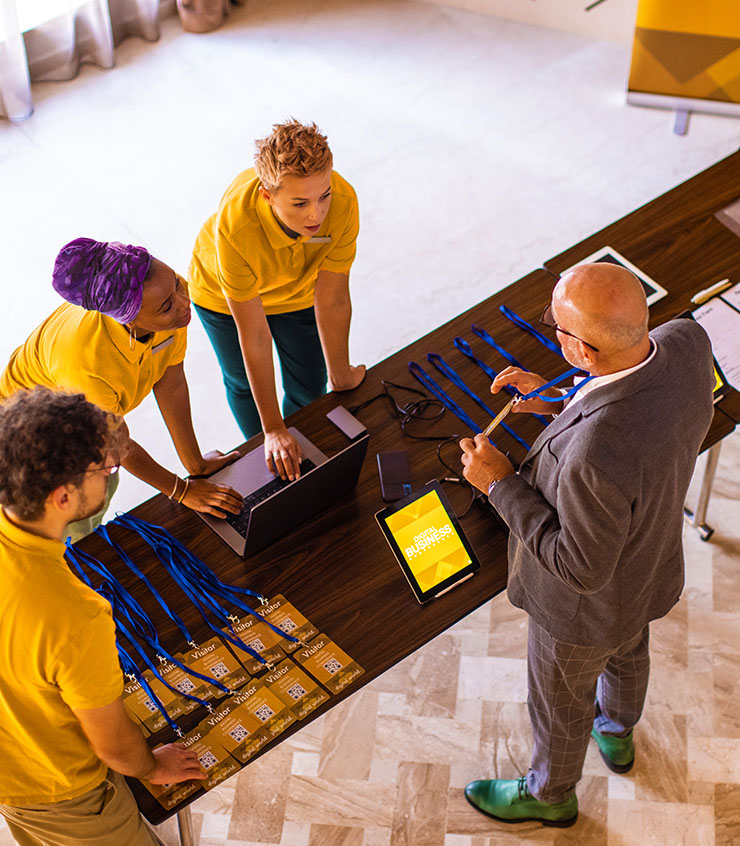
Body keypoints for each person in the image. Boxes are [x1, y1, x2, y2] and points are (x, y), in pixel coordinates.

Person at [459, 262, 714, 827]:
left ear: (583, 349)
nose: (552, 331)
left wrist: (498, 483)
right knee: (629, 654)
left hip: (580, 614)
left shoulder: (593, 456)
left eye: (556, 326)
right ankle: (617, 733)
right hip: (649, 570)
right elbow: (645, 408)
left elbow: (579, 568)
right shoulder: (687, 340)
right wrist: (563, 400)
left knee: (559, 704)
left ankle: (550, 796)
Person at [0, 387, 206, 846]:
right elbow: (113, 745)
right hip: (60, 790)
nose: (113, 468)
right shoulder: (75, 615)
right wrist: (152, 766)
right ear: (62, 498)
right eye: (104, 468)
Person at [0, 238, 242, 541]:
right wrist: (182, 491)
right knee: (72, 519)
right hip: (31, 436)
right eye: (167, 306)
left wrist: (196, 464)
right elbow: (118, 443)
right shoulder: (86, 362)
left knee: (103, 482)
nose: (184, 302)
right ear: (129, 320)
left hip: (83, 419)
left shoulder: (167, 299)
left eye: (177, 285)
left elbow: (170, 381)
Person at [188, 119, 365, 481]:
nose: (316, 214)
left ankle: (301, 450)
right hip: (221, 297)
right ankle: (265, 455)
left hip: (294, 289)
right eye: (300, 203)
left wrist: (341, 375)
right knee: (242, 381)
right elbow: (254, 335)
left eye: (324, 195)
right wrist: (272, 429)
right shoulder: (235, 225)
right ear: (267, 196)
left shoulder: (344, 201)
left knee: (311, 381)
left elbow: (332, 298)